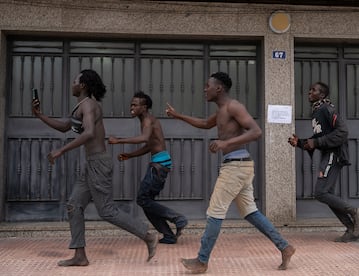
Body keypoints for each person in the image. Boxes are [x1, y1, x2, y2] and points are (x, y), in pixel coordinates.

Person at [166, 72, 295, 273]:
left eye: (207, 86)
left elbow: (256, 131)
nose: (204, 89)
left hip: (236, 166)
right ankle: (285, 247)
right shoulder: (220, 111)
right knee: (250, 212)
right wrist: (177, 115)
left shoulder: (234, 106)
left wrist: (225, 143)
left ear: (219, 88)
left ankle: (201, 261)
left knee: (215, 211)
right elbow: (203, 124)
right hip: (238, 165)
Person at [31, 69, 157, 266]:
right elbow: (65, 126)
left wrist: (61, 151)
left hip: (98, 163)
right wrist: (40, 115)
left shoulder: (89, 105)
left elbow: (89, 133)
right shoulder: (82, 106)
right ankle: (80, 255)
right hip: (92, 164)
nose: (72, 83)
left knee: (106, 211)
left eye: (75, 81)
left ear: (82, 86)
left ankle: (147, 236)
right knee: (74, 205)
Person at [288, 82, 359, 243]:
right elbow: (318, 140)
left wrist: (316, 143)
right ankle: (352, 229)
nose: (309, 92)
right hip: (329, 154)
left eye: (313, 90)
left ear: (322, 95)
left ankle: (355, 212)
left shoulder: (327, 109)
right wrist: (301, 143)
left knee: (321, 192)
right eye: (309, 89)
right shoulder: (317, 111)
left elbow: (342, 132)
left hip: (334, 154)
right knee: (326, 194)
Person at [108, 91, 188, 245]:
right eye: (131, 104)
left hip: (158, 165)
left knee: (143, 199)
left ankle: (178, 218)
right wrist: (130, 155)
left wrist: (119, 141)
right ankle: (169, 235)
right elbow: (150, 144)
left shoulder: (147, 120)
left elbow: (144, 138)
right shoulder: (146, 121)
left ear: (144, 107)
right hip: (159, 163)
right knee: (145, 201)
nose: (131, 107)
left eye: (135, 105)